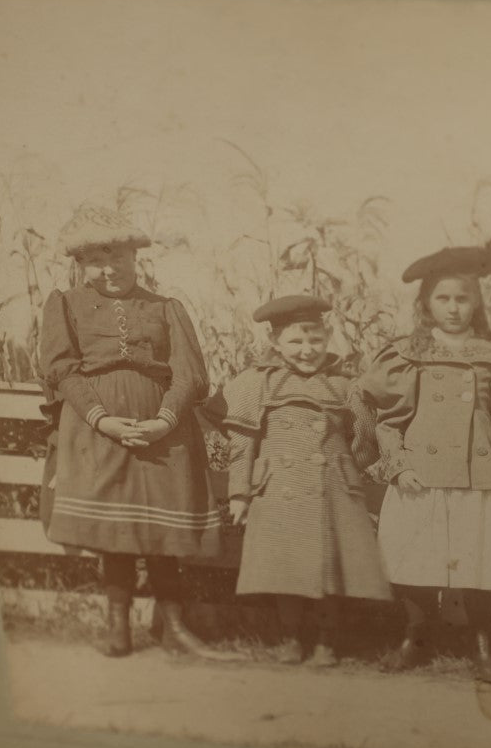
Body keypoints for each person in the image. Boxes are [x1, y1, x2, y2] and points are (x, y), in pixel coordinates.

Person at [38, 203, 238, 661]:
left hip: (164, 432)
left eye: (119, 259)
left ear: (135, 258)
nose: (109, 270)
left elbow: (190, 374)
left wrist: (164, 419)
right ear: (80, 264)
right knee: (117, 531)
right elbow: (60, 369)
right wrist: (101, 418)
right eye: (96, 261)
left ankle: (175, 628)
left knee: (163, 532)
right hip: (97, 430)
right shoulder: (65, 305)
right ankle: (118, 627)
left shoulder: (166, 308)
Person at [360, 240, 491, 685]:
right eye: (443, 298)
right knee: (414, 559)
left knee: (478, 564)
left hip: (477, 476)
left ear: (477, 303)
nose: (453, 308)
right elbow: (388, 420)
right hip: (422, 473)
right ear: (425, 303)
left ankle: (481, 646)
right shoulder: (408, 354)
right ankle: (415, 637)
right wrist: (398, 465)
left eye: (463, 299)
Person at [206, 295, 392, 666]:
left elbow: (368, 440)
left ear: (328, 337)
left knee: (331, 567)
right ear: (275, 341)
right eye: (295, 341)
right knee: (285, 565)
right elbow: (242, 443)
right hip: (278, 490)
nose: (306, 351)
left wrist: (342, 468)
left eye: (315, 341)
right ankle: (290, 638)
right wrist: (240, 494)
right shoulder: (258, 383)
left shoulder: (344, 386)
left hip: (333, 491)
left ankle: (326, 641)